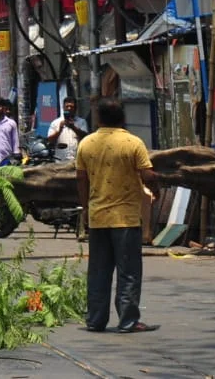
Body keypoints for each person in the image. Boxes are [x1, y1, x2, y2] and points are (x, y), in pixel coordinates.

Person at [76, 97, 158, 333]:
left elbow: (81, 180)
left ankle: (95, 320)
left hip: (98, 216)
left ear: (99, 118)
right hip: (126, 218)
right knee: (129, 272)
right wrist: (157, 188)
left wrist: (85, 209)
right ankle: (128, 321)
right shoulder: (133, 143)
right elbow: (148, 175)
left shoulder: (86, 144)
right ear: (122, 118)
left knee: (98, 272)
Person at [47, 95, 89, 162]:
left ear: (75, 108)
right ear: (63, 108)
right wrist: (59, 130)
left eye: (72, 107)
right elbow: (50, 140)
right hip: (60, 161)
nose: (69, 108)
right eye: (67, 106)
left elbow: (86, 138)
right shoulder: (56, 123)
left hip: (77, 160)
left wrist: (73, 127)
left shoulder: (82, 122)